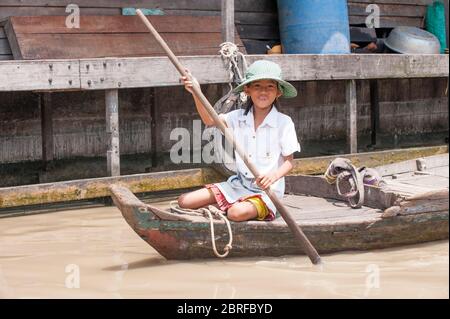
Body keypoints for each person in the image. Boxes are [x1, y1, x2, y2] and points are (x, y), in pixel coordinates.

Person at [178, 60, 301, 222]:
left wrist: (273, 176)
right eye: (257, 86)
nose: (263, 91)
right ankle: (228, 204)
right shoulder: (237, 117)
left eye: (270, 86)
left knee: (236, 213)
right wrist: (196, 91)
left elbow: (289, 162)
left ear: (278, 92)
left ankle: (235, 207)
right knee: (184, 201)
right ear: (247, 90)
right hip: (239, 185)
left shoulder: (284, 122)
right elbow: (209, 120)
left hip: (267, 192)